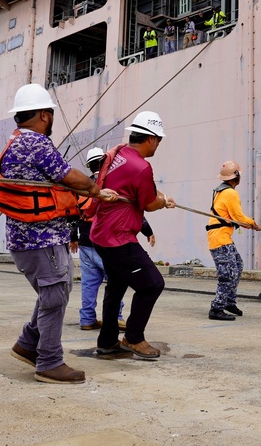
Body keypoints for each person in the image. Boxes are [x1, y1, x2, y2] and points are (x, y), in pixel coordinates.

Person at [0, 83, 118, 385]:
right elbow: (68, 175)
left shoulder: (17, 142)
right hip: (40, 237)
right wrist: (93, 189)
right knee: (54, 295)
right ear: (44, 115)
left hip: (31, 237)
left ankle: (28, 344)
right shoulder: (35, 144)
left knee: (56, 290)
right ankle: (49, 362)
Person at [90, 111, 176, 359]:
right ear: (150, 138)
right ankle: (134, 337)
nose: (158, 145)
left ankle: (107, 341)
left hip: (101, 233)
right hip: (118, 238)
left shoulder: (118, 153)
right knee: (152, 285)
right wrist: (163, 201)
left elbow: (139, 192)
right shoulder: (141, 166)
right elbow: (148, 203)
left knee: (116, 287)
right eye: (158, 139)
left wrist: (159, 198)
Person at [71, 147, 154, 331]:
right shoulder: (111, 181)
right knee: (116, 283)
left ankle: (87, 320)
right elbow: (133, 208)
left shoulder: (85, 186)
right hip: (106, 241)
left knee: (89, 284)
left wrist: (73, 238)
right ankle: (116, 318)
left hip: (85, 240)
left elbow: (76, 214)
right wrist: (148, 231)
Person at [205, 161, 261, 320]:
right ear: (236, 176)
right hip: (220, 238)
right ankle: (216, 308)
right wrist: (252, 224)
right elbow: (238, 217)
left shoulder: (221, 191)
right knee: (228, 274)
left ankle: (229, 301)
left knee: (238, 264)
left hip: (221, 236)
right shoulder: (230, 193)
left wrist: (249, 224)